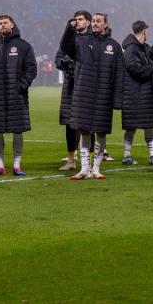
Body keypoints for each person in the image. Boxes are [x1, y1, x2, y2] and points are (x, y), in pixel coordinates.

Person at [60, 12, 124, 180]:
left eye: (98, 21)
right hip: (83, 94)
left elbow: (119, 75)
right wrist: (70, 28)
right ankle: (84, 169)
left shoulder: (114, 46)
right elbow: (65, 46)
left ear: (105, 25)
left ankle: (96, 168)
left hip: (104, 95)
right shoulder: (81, 41)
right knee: (84, 131)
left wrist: (117, 99)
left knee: (101, 133)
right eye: (93, 21)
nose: (95, 23)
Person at [0, 15, 37, 176]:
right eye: (0, 23)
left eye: (5, 22)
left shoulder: (23, 46)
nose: (2, 25)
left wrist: (21, 86)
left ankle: (17, 164)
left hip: (15, 96)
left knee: (17, 130)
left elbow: (31, 68)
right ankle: (0, 165)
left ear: (12, 25)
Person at [121, 20, 153, 166]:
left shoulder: (143, 47)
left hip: (144, 92)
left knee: (148, 124)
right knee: (132, 126)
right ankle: (126, 155)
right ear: (144, 31)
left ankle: (152, 155)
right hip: (133, 93)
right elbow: (134, 69)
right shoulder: (131, 49)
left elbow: (148, 59)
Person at [56, 10, 91, 171]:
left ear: (88, 22)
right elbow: (58, 59)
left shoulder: (93, 39)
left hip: (87, 85)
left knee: (88, 122)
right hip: (70, 85)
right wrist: (67, 63)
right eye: (76, 19)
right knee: (70, 124)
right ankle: (71, 159)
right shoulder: (68, 39)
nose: (78, 22)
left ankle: (89, 158)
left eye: (81, 19)